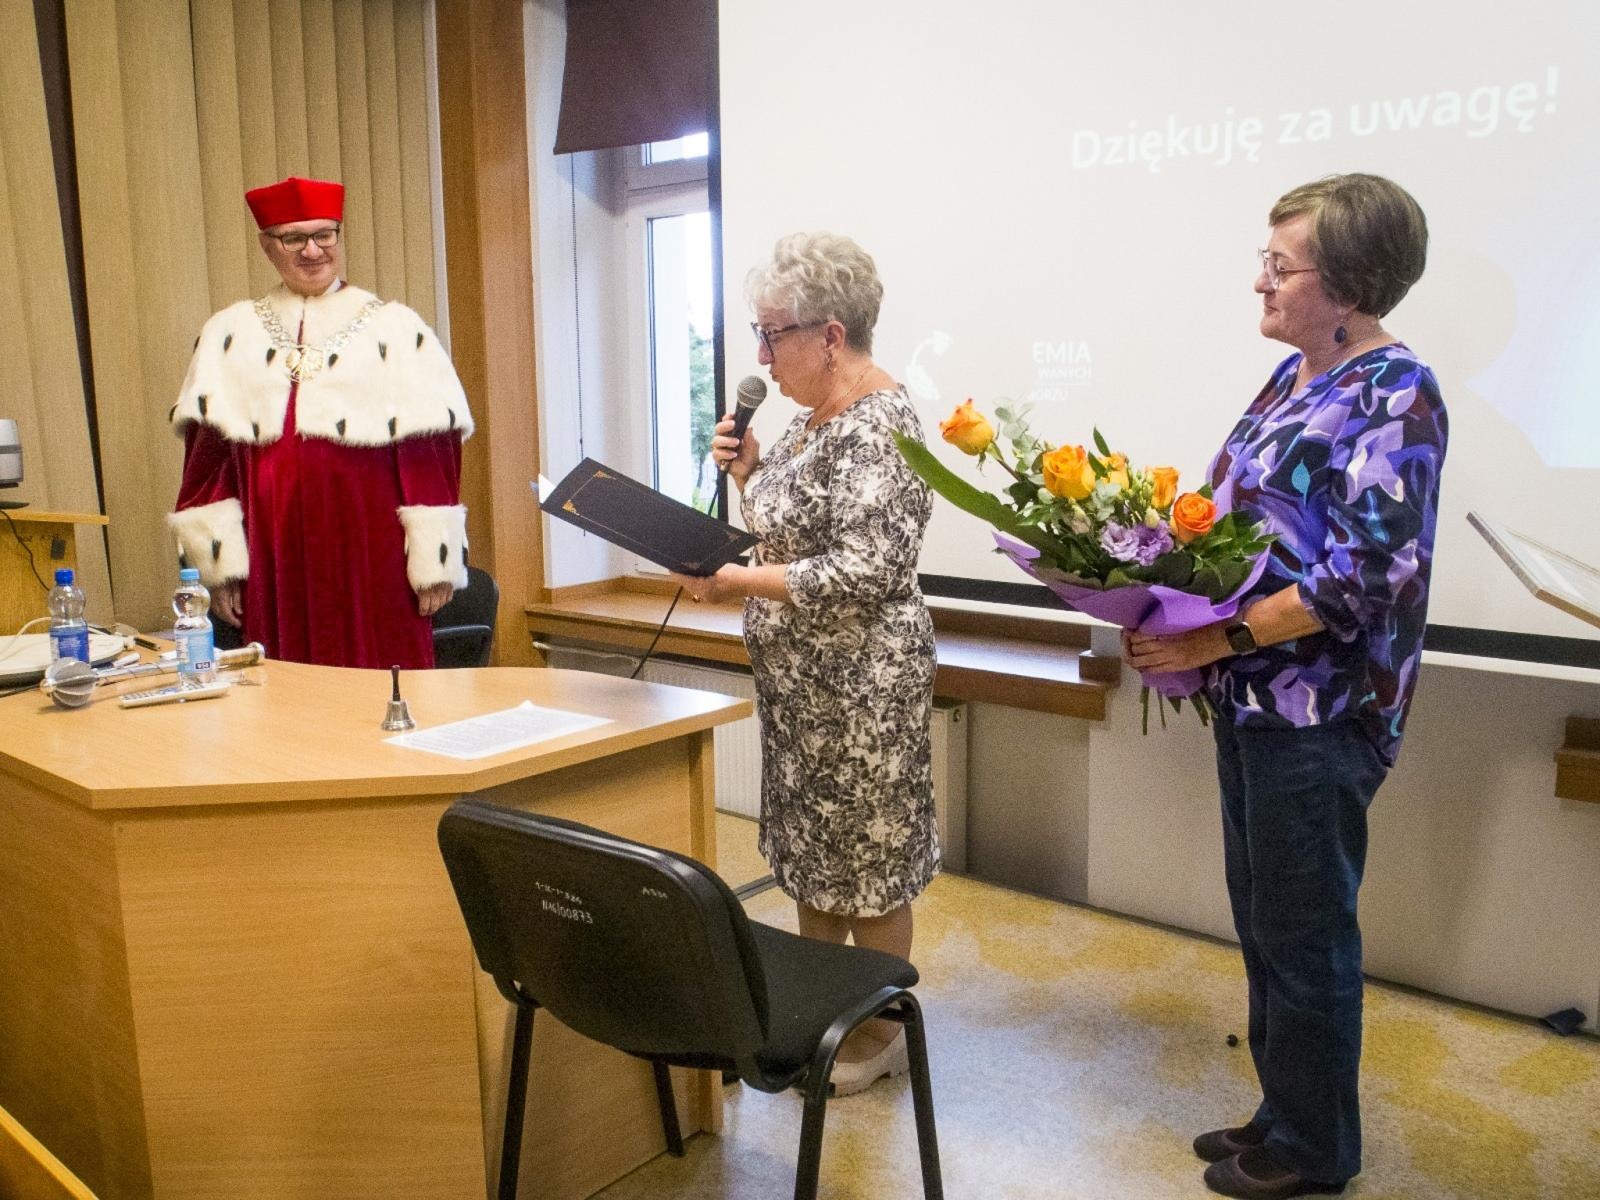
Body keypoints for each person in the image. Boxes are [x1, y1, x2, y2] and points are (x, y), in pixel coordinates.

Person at [1125, 174, 1447, 1199]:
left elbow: (1364, 573)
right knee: (1267, 923)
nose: (1258, 281)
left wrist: (1207, 634)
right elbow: (1230, 519)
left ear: (1347, 282)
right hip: (1253, 698)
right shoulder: (1294, 377)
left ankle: (1316, 1150)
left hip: (1323, 712)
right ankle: (1282, 1111)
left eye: (1280, 264)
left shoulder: (1397, 389)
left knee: (1308, 935)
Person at [670, 232, 938, 1095]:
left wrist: (732, 576)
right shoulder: (807, 421)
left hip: (863, 688)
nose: (758, 355)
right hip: (802, 687)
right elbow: (796, 534)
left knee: (870, 862)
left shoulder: (882, 424)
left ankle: (879, 1032)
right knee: (818, 857)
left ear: (829, 334)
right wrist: (749, 476)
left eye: (770, 332)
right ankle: (822, 1018)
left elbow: (866, 571)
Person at [167, 176, 472, 669]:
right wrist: (220, 568)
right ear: (268, 246)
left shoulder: (395, 328)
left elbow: (431, 452)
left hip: (375, 552)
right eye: (294, 238)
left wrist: (435, 558)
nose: (313, 250)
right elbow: (208, 462)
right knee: (286, 691)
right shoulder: (229, 332)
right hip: (274, 553)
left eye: (324, 235)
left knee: (385, 684)